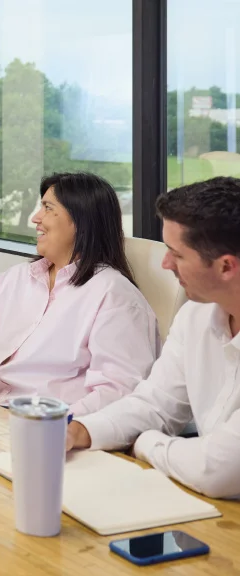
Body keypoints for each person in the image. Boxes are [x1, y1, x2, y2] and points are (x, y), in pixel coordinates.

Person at [68, 176, 240, 499]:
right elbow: (155, 404)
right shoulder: (195, 317)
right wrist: (82, 431)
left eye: (177, 254)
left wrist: (147, 443)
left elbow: (220, 470)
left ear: (226, 267)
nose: (165, 263)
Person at [0, 172, 159, 416]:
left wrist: (58, 425)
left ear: (81, 220)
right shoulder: (14, 279)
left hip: (55, 429)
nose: (35, 218)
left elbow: (118, 391)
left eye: (47, 208)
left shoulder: (114, 295)